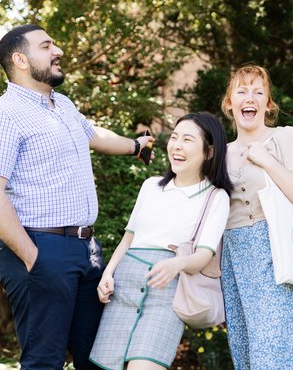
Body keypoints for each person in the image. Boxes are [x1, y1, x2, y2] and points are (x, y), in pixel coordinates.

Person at [0, 24, 154, 369]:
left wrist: (135, 146)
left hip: (86, 250)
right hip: (40, 246)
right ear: (20, 59)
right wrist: (33, 258)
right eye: (47, 46)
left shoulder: (62, 106)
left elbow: (93, 135)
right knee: (45, 361)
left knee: (99, 359)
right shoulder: (1, 116)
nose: (58, 51)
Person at [89, 112, 232, 369]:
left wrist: (176, 265)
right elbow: (128, 240)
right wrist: (107, 274)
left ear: (209, 152)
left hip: (166, 295)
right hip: (122, 289)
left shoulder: (216, 196)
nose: (176, 145)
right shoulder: (150, 186)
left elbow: (204, 256)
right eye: (174, 137)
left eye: (188, 140)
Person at [219, 64, 293, 369]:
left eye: (258, 91)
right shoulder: (219, 153)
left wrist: (267, 161)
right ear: (229, 103)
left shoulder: (286, 137)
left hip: (278, 252)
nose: (249, 97)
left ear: (268, 104)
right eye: (242, 91)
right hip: (235, 258)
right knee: (248, 355)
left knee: (274, 355)